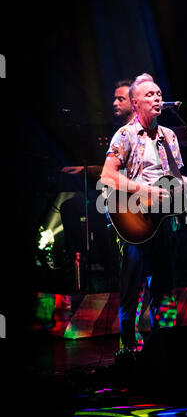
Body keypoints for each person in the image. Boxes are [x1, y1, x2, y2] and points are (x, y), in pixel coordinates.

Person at [101, 73, 187, 359]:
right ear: (135, 103)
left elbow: (174, 181)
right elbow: (108, 177)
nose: (157, 98)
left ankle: (166, 349)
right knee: (132, 290)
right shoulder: (124, 135)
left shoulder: (169, 137)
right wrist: (145, 190)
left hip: (161, 221)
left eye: (159, 94)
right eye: (150, 95)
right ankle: (129, 351)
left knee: (163, 289)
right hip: (133, 219)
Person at [59, 80, 136, 282]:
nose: (114, 103)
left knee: (94, 211)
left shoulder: (137, 131)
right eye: (114, 98)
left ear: (134, 102)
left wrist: (87, 170)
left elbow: (125, 170)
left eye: (121, 99)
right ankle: (78, 261)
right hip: (109, 194)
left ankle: (108, 267)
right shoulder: (116, 131)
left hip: (131, 197)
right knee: (71, 207)